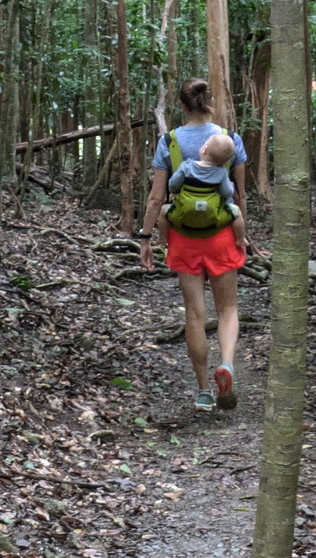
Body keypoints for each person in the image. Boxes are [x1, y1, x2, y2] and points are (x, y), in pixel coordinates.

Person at [138, 78, 248, 411]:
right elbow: (239, 194)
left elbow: (157, 197)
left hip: (183, 240)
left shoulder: (169, 141)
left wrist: (146, 239)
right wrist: (243, 234)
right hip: (222, 236)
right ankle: (226, 364)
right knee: (227, 309)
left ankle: (203, 391)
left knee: (195, 316)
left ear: (183, 105)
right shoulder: (230, 140)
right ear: (209, 102)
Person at [160, 132, 248, 250]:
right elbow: (227, 193)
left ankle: (163, 239)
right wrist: (231, 186)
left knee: (163, 211)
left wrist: (178, 191)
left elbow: (172, 185)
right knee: (237, 213)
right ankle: (240, 239)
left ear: (204, 149)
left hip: (183, 214)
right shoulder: (221, 173)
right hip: (213, 217)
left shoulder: (186, 167)